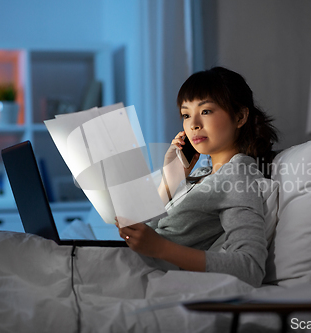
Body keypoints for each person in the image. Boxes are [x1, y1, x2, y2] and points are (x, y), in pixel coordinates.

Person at [116, 67, 278, 287]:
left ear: (240, 116)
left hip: (147, 276)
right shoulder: (199, 174)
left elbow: (250, 267)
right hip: (130, 264)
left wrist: (161, 248)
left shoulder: (238, 175)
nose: (193, 124)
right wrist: (169, 183)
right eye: (185, 114)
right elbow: (147, 230)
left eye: (206, 111)